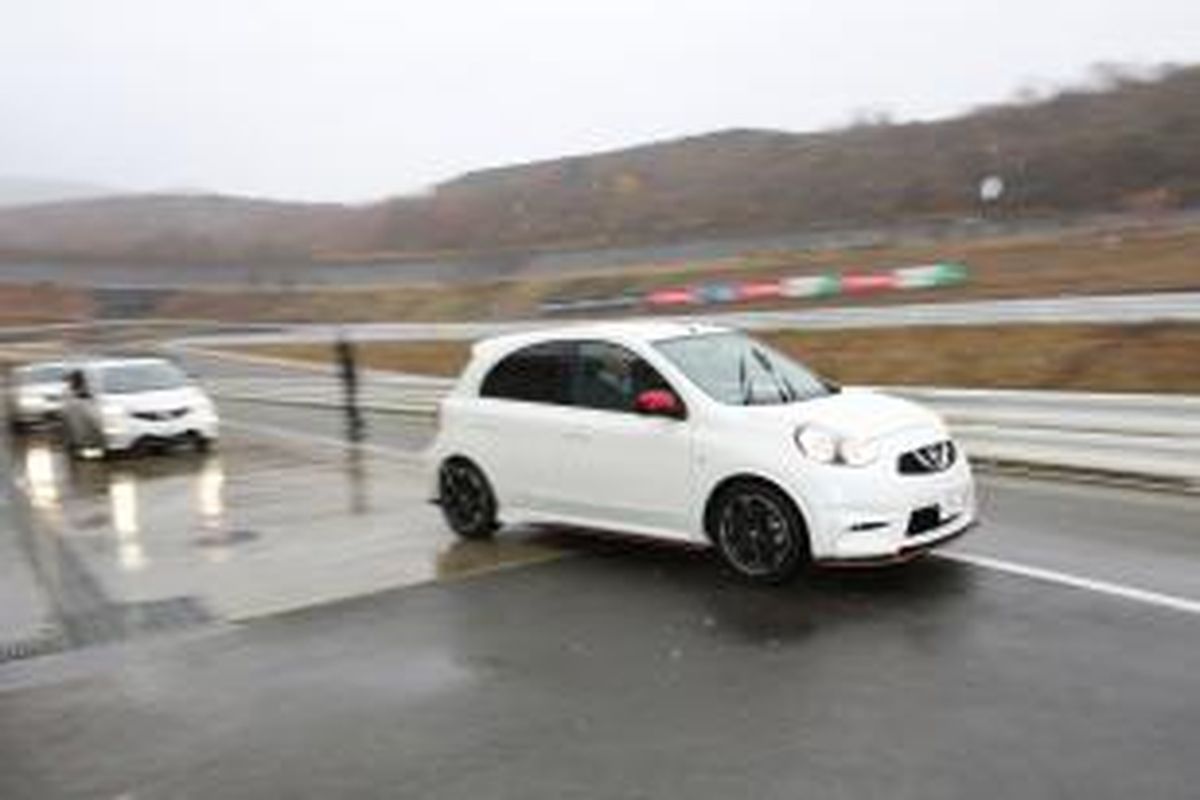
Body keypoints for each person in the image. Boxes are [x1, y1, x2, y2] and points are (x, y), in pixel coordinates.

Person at [334, 332, 364, 440]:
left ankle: (357, 424)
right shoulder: (345, 358)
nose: (336, 352)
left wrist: (344, 377)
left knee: (350, 405)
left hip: (350, 383)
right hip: (350, 383)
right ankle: (356, 423)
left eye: (338, 349)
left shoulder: (346, 358)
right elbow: (349, 371)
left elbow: (350, 372)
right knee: (350, 405)